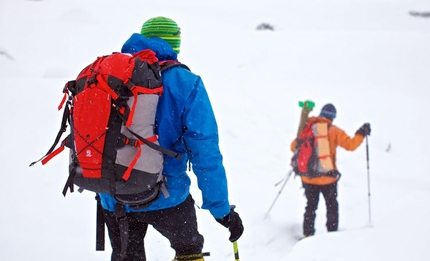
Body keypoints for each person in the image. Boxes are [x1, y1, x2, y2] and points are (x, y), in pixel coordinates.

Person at [98, 16, 244, 261]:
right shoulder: (185, 83)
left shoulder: (110, 74)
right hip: (167, 196)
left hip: (114, 197)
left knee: (126, 256)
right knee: (189, 251)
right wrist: (221, 209)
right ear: (174, 44)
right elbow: (204, 151)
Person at [290, 103, 371, 238]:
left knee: (311, 207)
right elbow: (350, 145)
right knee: (331, 206)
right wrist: (361, 133)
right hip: (328, 178)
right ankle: (332, 236)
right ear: (333, 117)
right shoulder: (334, 130)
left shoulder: (308, 127)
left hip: (308, 178)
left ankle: (307, 234)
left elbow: (294, 147)